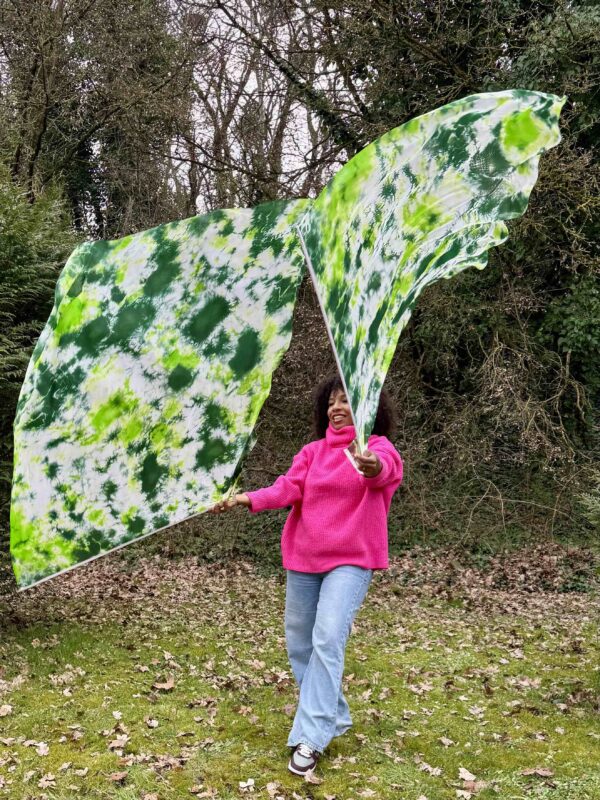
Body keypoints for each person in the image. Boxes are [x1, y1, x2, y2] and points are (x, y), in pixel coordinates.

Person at [210, 373, 403, 775]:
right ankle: (334, 713)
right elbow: (287, 488)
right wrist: (244, 498)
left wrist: (371, 466)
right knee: (300, 644)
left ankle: (311, 737)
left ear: (366, 408)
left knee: (328, 637)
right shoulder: (312, 452)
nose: (336, 408)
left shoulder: (377, 448)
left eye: (345, 401)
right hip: (304, 559)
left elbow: (385, 471)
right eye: (331, 402)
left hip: (351, 561)